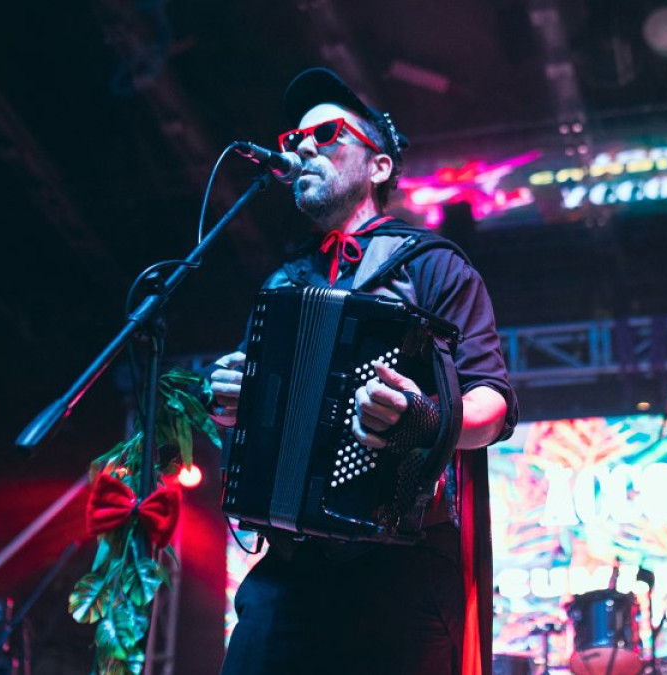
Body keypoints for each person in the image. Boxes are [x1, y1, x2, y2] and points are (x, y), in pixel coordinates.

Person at [207, 67, 518, 675]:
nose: (301, 146)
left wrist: (420, 419)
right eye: (294, 138)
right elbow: (254, 432)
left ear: (378, 167)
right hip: (290, 574)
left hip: (401, 574)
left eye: (325, 134)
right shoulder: (284, 283)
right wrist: (233, 407)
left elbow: (493, 406)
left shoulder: (434, 268)